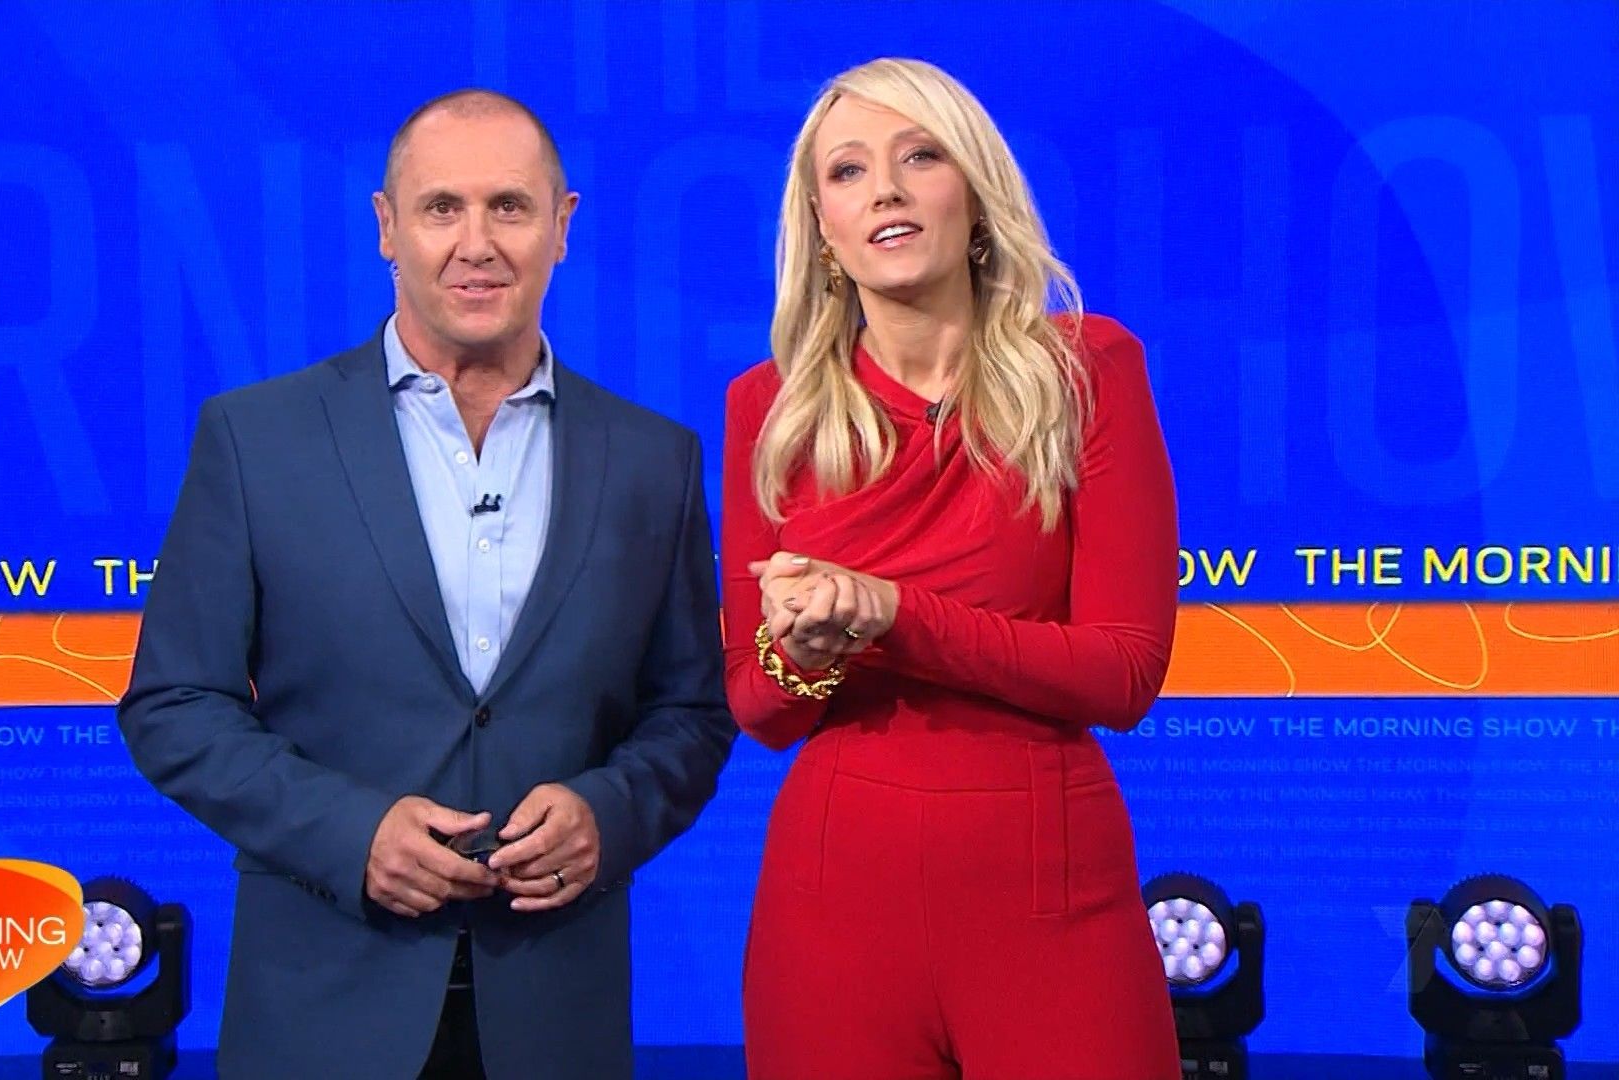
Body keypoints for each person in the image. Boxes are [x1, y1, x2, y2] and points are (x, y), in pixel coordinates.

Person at [118, 89, 736, 1080]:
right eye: (442, 207)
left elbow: (692, 714)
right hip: (322, 1012)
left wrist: (608, 814)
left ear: (562, 226)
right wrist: (350, 833)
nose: (476, 244)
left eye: (510, 207)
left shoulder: (653, 458)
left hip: (556, 1015)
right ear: (387, 227)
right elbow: (174, 704)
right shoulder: (256, 439)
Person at [722, 58, 1181, 1079]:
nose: (884, 190)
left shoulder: (1086, 371)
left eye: (919, 157)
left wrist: (893, 614)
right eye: (848, 171)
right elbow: (759, 706)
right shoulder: (771, 409)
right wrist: (807, 652)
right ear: (824, 228)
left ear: (973, 194)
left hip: (1049, 885)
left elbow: (1124, 672)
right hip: (834, 899)